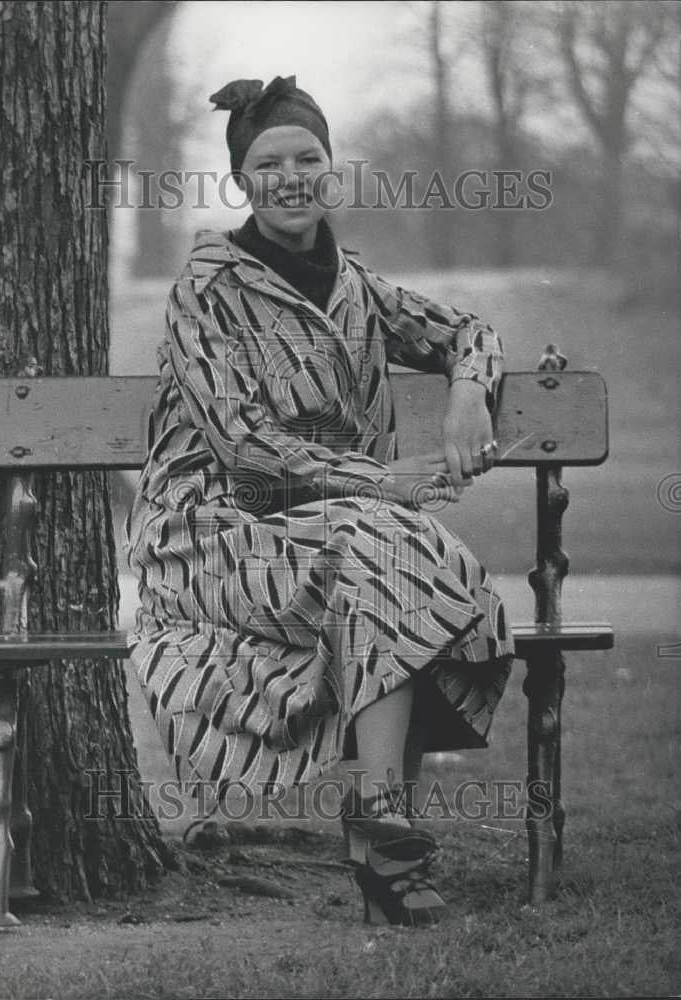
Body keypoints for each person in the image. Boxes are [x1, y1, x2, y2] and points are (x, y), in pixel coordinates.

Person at [125, 75, 515, 927]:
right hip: (213, 537)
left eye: (309, 157)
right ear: (241, 181)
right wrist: (384, 480)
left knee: (387, 548)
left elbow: (468, 333)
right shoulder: (206, 291)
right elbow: (244, 445)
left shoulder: (357, 285)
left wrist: (465, 394)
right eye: (269, 163)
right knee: (388, 541)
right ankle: (386, 835)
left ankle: (382, 825)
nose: (291, 176)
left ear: (332, 170)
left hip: (338, 534)